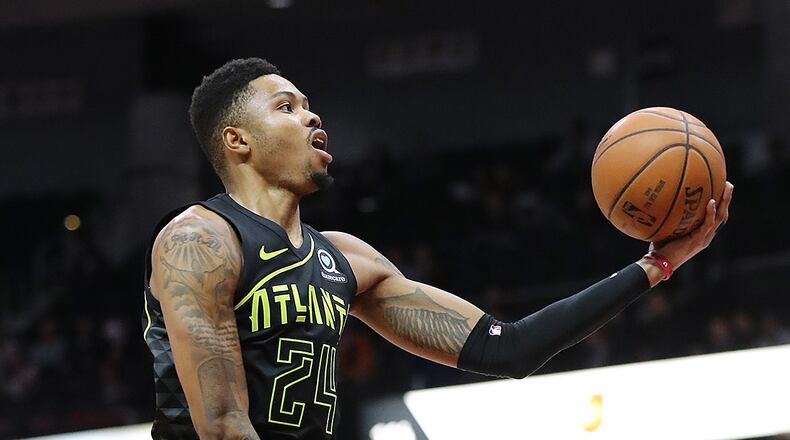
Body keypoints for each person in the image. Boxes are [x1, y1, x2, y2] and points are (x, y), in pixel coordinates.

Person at [142, 58, 734, 440]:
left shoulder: (347, 262)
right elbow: (221, 427)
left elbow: (511, 349)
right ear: (237, 140)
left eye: (307, 103)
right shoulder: (198, 241)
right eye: (286, 107)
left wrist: (657, 265)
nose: (312, 114)